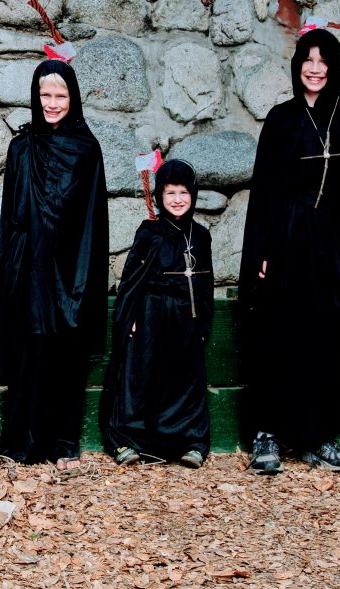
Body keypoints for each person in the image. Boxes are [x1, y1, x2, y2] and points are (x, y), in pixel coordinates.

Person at [238, 26, 340, 475]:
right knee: (276, 336)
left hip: (332, 250)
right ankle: (268, 435)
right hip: (286, 245)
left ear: (334, 67)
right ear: (298, 65)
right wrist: (260, 251)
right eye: (308, 60)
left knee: (326, 343)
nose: (315, 69)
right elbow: (264, 194)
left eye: (323, 61)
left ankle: (319, 436)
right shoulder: (281, 119)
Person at [0, 59, 109, 474]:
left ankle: (62, 441)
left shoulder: (86, 149)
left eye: (60, 95)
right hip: (28, 267)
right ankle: (24, 440)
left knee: (65, 351)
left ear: (73, 98)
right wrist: (8, 267)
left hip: (69, 270)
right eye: (45, 94)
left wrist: (80, 276)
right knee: (29, 350)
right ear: (35, 96)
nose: (52, 103)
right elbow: (10, 215)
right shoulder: (21, 148)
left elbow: (92, 219)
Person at [99, 159, 213, 469]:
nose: (177, 199)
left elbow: (205, 283)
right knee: (143, 376)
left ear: (193, 195)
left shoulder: (201, 236)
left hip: (186, 319)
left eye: (183, 192)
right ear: (160, 196)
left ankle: (190, 442)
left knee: (186, 379)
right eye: (170, 192)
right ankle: (129, 439)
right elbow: (133, 280)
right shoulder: (150, 232)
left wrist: (202, 322)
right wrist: (132, 316)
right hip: (151, 316)